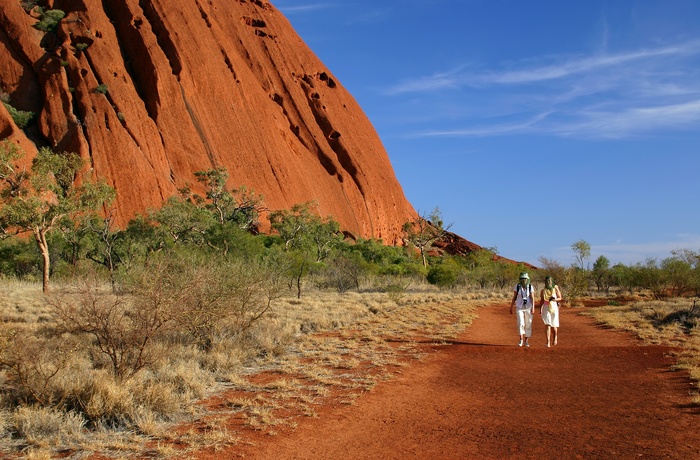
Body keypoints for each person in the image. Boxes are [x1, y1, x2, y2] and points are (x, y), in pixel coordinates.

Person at [509, 272, 535, 347]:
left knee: (528, 323)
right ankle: (521, 340)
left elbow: (532, 297)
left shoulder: (530, 287)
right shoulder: (517, 286)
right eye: (522, 279)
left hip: (528, 307)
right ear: (520, 279)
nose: (524, 280)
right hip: (519, 306)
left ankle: (526, 341)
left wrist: (533, 307)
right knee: (521, 323)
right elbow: (514, 297)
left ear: (527, 279)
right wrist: (511, 307)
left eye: (525, 279)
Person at [539, 276, 562, 347]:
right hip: (546, 307)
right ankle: (547, 342)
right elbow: (542, 301)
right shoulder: (543, 290)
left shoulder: (555, 288)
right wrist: (540, 309)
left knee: (554, 327)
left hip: (554, 307)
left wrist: (554, 299)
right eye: (547, 280)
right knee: (548, 324)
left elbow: (560, 298)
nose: (548, 282)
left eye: (549, 280)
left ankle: (555, 337)